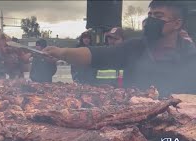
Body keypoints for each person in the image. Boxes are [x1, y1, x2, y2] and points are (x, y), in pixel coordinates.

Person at [42, 0, 196, 96]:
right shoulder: (134, 47)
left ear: (177, 23)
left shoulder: (191, 55)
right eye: (150, 15)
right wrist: (61, 52)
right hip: (134, 126)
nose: (151, 20)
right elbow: (97, 55)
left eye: (159, 16)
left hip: (175, 131)